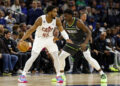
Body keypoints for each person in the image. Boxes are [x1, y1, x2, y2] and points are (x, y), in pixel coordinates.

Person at [18, 6, 72, 83]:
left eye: (56, 12)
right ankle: (23, 75)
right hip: (39, 39)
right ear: (49, 12)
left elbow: (62, 30)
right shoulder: (41, 19)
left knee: (56, 56)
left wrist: (67, 38)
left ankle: (58, 75)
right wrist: (22, 39)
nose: (56, 13)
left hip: (49, 39)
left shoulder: (57, 20)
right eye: (54, 12)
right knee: (33, 57)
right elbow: (31, 30)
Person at [52, 9, 107, 83]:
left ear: (71, 16)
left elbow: (88, 32)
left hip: (82, 42)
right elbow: (64, 32)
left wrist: (85, 43)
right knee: (61, 57)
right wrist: (58, 38)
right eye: (64, 16)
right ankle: (61, 75)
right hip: (72, 42)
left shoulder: (78, 22)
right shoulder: (65, 22)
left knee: (89, 58)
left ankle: (102, 74)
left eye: (66, 16)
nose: (64, 17)